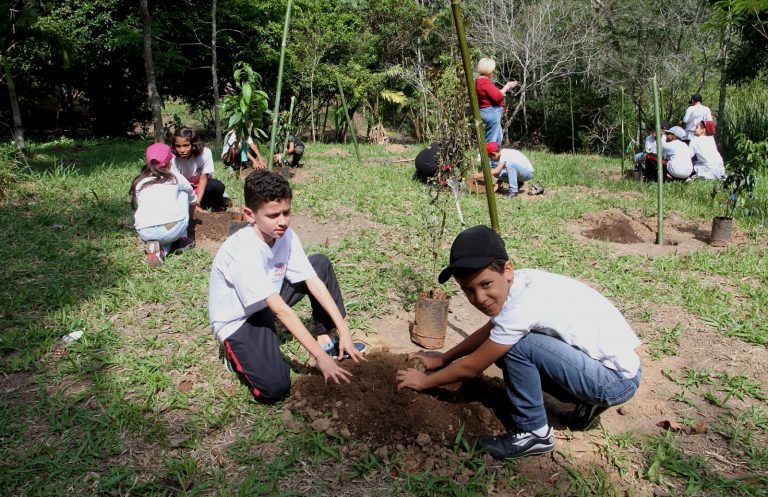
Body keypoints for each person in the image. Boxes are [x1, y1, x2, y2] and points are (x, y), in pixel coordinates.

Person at [395, 225, 642, 460]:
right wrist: (443, 358)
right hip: (614, 368)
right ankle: (586, 403)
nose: (479, 298)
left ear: (508, 270)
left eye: (486, 284)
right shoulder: (522, 283)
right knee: (506, 342)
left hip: (613, 380)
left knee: (517, 346)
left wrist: (424, 382)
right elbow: (490, 329)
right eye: (469, 290)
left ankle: (534, 433)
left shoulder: (524, 304)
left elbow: (471, 367)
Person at [208, 170, 368, 403]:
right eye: (273, 215)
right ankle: (236, 354)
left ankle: (327, 337)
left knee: (319, 265)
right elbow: (282, 309)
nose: (282, 221)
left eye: (286, 212)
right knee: (275, 388)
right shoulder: (243, 252)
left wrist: (344, 330)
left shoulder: (286, 235)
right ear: (249, 214)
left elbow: (312, 281)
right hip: (241, 319)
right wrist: (319, 359)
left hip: (267, 300)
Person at [129, 143, 197, 267]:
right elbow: (193, 199)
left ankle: (160, 252)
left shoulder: (140, 181)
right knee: (184, 192)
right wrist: (191, 220)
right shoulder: (176, 178)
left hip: (145, 232)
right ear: (170, 161)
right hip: (171, 229)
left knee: (162, 238)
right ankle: (182, 238)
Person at [171, 127, 230, 213]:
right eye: (178, 146)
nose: (182, 150)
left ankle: (213, 203)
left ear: (193, 144)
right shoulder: (173, 159)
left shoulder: (205, 153)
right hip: (185, 189)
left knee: (217, 186)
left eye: (186, 145)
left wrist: (197, 203)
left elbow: (203, 177)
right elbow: (176, 183)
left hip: (201, 187)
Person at [475, 57, 518, 145]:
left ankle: (495, 158)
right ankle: (488, 158)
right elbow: (497, 97)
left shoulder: (480, 81)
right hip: (491, 112)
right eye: (493, 69)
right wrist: (507, 86)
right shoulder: (484, 81)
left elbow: (491, 95)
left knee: (498, 138)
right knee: (491, 141)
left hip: (488, 111)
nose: (494, 71)